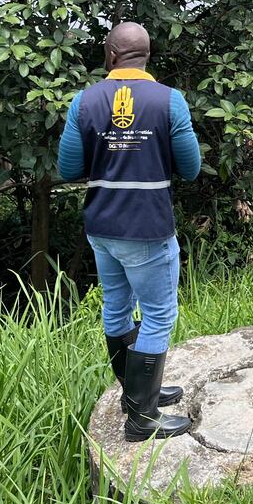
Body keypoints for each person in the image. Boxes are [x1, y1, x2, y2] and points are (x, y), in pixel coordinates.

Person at [58, 22, 201, 441]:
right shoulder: (169, 101)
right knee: (158, 314)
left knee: (117, 307)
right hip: (147, 227)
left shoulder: (84, 101)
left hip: (102, 226)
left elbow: (68, 169)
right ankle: (142, 418)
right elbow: (190, 168)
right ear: (147, 56)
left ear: (110, 55)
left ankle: (135, 394)